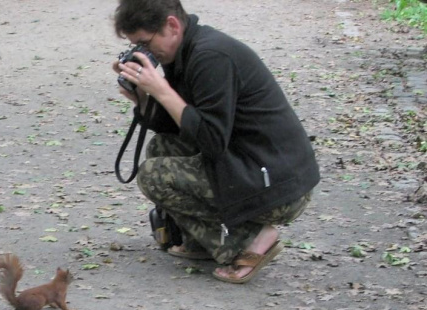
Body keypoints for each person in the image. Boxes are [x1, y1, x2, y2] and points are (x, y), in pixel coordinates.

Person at [112, 0, 320, 284]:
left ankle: (252, 240)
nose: (146, 54)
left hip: (280, 186)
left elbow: (210, 140)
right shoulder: (185, 52)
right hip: (253, 163)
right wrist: (143, 98)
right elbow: (177, 128)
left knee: (154, 176)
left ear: (172, 25)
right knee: (161, 148)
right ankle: (203, 241)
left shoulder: (211, 57)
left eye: (145, 44)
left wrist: (161, 89)